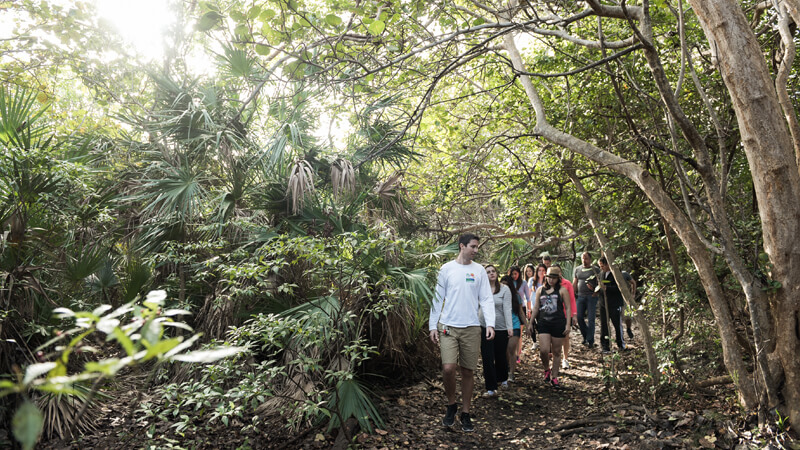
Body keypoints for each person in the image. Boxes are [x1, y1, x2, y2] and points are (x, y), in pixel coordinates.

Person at [429, 233, 495, 432]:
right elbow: (437, 298)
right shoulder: (447, 269)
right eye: (473, 246)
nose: (476, 250)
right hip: (448, 326)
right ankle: (451, 405)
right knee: (448, 368)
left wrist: (490, 323)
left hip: (472, 327)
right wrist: (433, 325)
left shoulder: (479, 271)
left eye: (477, 247)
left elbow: (486, 298)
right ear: (462, 246)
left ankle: (465, 412)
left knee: (468, 371)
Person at [529, 266, 571, 388]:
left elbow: (568, 308)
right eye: (549, 278)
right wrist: (531, 323)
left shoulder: (562, 290)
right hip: (543, 323)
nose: (551, 280)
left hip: (558, 323)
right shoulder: (540, 290)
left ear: (558, 278)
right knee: (544, 350)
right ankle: (547, 369)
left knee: (557, 351)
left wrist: (568, 324)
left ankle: (555, 376)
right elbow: (536, 307)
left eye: (554, 278)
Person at [479, 265, 512, 398]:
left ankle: (503, 379)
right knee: (487, 357)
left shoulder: (505, 289)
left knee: (500, 356)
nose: (491, 274)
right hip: (484, 326)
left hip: (500, 327)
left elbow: (507, 309)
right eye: (488, 272)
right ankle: (491, 388)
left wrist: (509, 327)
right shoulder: (481, 289)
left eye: (493, 271)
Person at [591, 256, 626, 353]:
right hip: (603, 304)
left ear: (607, 265)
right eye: (600, 266)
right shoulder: (601, 274)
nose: (601, 268)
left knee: (617, 325)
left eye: (602, 266)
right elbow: (600, 287)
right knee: (604, 326)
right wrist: (594, 288)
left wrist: (607, 288)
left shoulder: (617, 274)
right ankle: (605, 346)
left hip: (614, 304)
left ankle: (621, 345)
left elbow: (620, 289)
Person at [501, 274, 527, 383]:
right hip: (501, 326)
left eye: (507, 285)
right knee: (504, 350)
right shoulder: (497, 295)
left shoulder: (516, 296)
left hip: (514, 325)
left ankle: (511, 373)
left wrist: (528, 324)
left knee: (511, 348)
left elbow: (520, 312)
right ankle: (504, 370)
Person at [573, 252, 601, 348]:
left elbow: (599, 283)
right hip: (580, 297)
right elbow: (575, 282)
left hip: (591, 297)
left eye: (586, 258)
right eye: (582, 258)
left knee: (591, 319)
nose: (584, 260)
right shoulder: (577, 269)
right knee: (580, 317)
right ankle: (585, 336)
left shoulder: (595, 269)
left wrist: (596, 292)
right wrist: (573, 294)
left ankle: (590, 341)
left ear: (590, 259)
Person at [552, 264, 576, 370]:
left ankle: (565, 359)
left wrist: (574, 315)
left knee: (565, 337)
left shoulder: (567, 284)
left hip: (566, 314)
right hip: (553, 315)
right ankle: (555, 358)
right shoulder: (549, 284)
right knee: (553, 338)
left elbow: (572, 300)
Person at [508, 265, 531, 362]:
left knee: (519, 333)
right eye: (512, 274)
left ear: (519, 274)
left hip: (521, 307)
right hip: (510, 308)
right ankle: (511, 353)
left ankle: (518, 353)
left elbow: (528, 297)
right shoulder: (508, 283)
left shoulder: (523, 283)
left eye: (516, 274)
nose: (514, 276)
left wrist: (529, 310)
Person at [621, 272, 637, 339]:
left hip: (625, 298)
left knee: (628, 316)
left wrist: (633, 294)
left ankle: (628, 329)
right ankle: (620, 333)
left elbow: (633, 282)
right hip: (614, 298)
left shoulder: (624, 274)